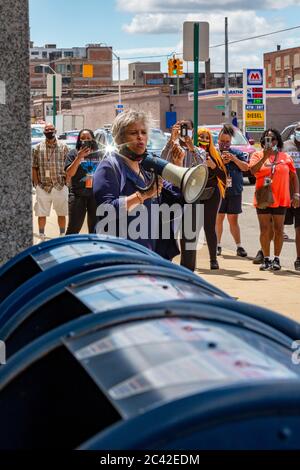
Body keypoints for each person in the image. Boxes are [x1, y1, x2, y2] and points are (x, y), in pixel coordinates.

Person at [93, 110, 182, 259]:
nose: (140, 137)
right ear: (120, 138)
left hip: (147, 252)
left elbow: (170, 195)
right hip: (119, 253)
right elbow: (106, 209)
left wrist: (177, 166)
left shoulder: (146, 167)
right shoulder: (110, 167)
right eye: (133, 133)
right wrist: (144, 195)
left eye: (143, 132)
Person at [250, 128, 300, 271]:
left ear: (277, 141)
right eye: (267, 139)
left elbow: (293, 176)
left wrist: (296, 194)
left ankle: (276, 259)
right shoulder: (257, 155)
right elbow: (252, 171)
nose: (270, 141)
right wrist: (265, 156)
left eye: (273, 139)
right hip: (263, 198)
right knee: (264, 229)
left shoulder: (285, 157)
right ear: (263, 141)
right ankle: (266, 259)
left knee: (279, 229)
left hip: (281, 197)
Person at [161, 120, 207, 270]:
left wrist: (191, 148)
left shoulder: (199, 151)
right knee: (167, 236)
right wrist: (171, 140)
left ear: (193, 130)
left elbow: (203, 168)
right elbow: (161, 162)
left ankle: (188, 272)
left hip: (191, 197)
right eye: (180, 127)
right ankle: (166, 269)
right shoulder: (171, 148)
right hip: (171, 197)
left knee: (189, 239)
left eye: (186, 128)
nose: (183, 131)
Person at [32, 123, 69, 241]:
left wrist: (67, 182)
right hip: (43, 186)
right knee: (41, 213)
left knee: (61, 212)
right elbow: (34, 167)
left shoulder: (63, 147)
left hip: (60, 185)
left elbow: (68, 167)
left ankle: (62, 235)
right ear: (44, 132)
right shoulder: (37, 148)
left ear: (55, 131)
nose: (49, 131)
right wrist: (36, 182)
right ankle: (42, 235)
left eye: (51, 129)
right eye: (46, 130)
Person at [216, 124, 249, 257]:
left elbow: (246, 168)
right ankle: (217, 245)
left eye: (227, 142)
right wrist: (221, 162)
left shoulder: (237, 153)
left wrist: (234, 159)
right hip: (219, 191)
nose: (224, 144)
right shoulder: (214, 153)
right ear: (218, 140)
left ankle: (239, 246)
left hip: (234, 191)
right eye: (222, 141)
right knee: (219, 218)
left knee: (233, 219)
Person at [65, 129, 99, 234]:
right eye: (83, 138)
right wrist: (79, 157)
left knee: (95, 229)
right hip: (78, 195)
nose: (85, 140)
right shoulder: (73, 153)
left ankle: (93, 249)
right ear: (79, 140)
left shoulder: (100, 154)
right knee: (73, 228)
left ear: (93, 139)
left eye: (88, 138)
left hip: (95, 195)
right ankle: (67, 249)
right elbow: (69, 173)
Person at [283, 123, 300, 270]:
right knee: (274, 226)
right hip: (283, 193)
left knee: (299, 228)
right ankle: (265, 254)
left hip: (299, 196)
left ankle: (299, 259)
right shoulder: (285, 145)